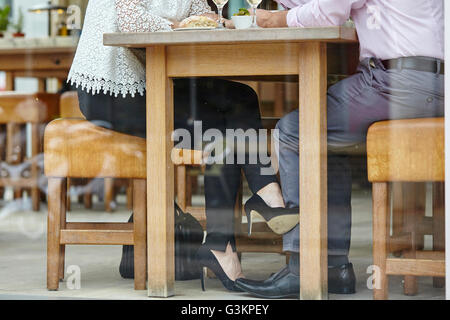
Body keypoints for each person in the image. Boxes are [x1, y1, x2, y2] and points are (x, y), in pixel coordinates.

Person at [68, 0, 299, 292]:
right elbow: (129, 19)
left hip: (155, 76)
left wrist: (199, 20)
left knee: (241, 98)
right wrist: (178, 26)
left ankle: (257, 201)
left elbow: (202, 16)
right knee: (222, 126)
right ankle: (235, 229)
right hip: (111, 89)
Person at [235, 0, 444, 298]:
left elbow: (327, 12)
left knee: (295, 130)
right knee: (330, 137)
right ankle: (334, 269)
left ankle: (303, 268)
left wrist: (273, 19)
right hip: (438, 85)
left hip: (395, 82)